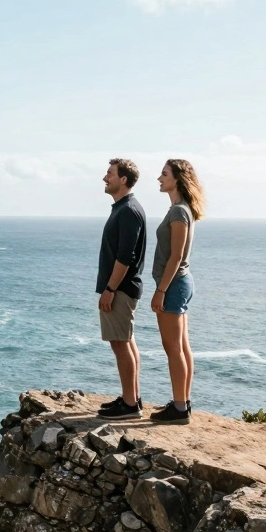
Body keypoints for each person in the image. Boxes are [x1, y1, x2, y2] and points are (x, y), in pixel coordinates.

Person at [149, 158, 205, 425]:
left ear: (177, 179)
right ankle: (183, 402)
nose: (159, 178)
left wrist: (160, 290)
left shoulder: (179, 212)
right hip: (180, 282)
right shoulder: (180, 209)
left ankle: (180, 408)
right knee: (182, 346)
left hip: (173, 284)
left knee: (173, 347)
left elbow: (176, 255)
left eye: (164, 174)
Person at [95, 158, 147, 420]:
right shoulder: (124, 208)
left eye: (110, 173)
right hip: (123, 288)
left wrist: (110, 289)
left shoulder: (128, 210)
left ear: (123, 179)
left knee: (120, 344)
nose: (105, 177)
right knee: (126, 342)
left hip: (121, 289)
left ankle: (129, 405)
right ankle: (132, 398)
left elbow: (125, 257)